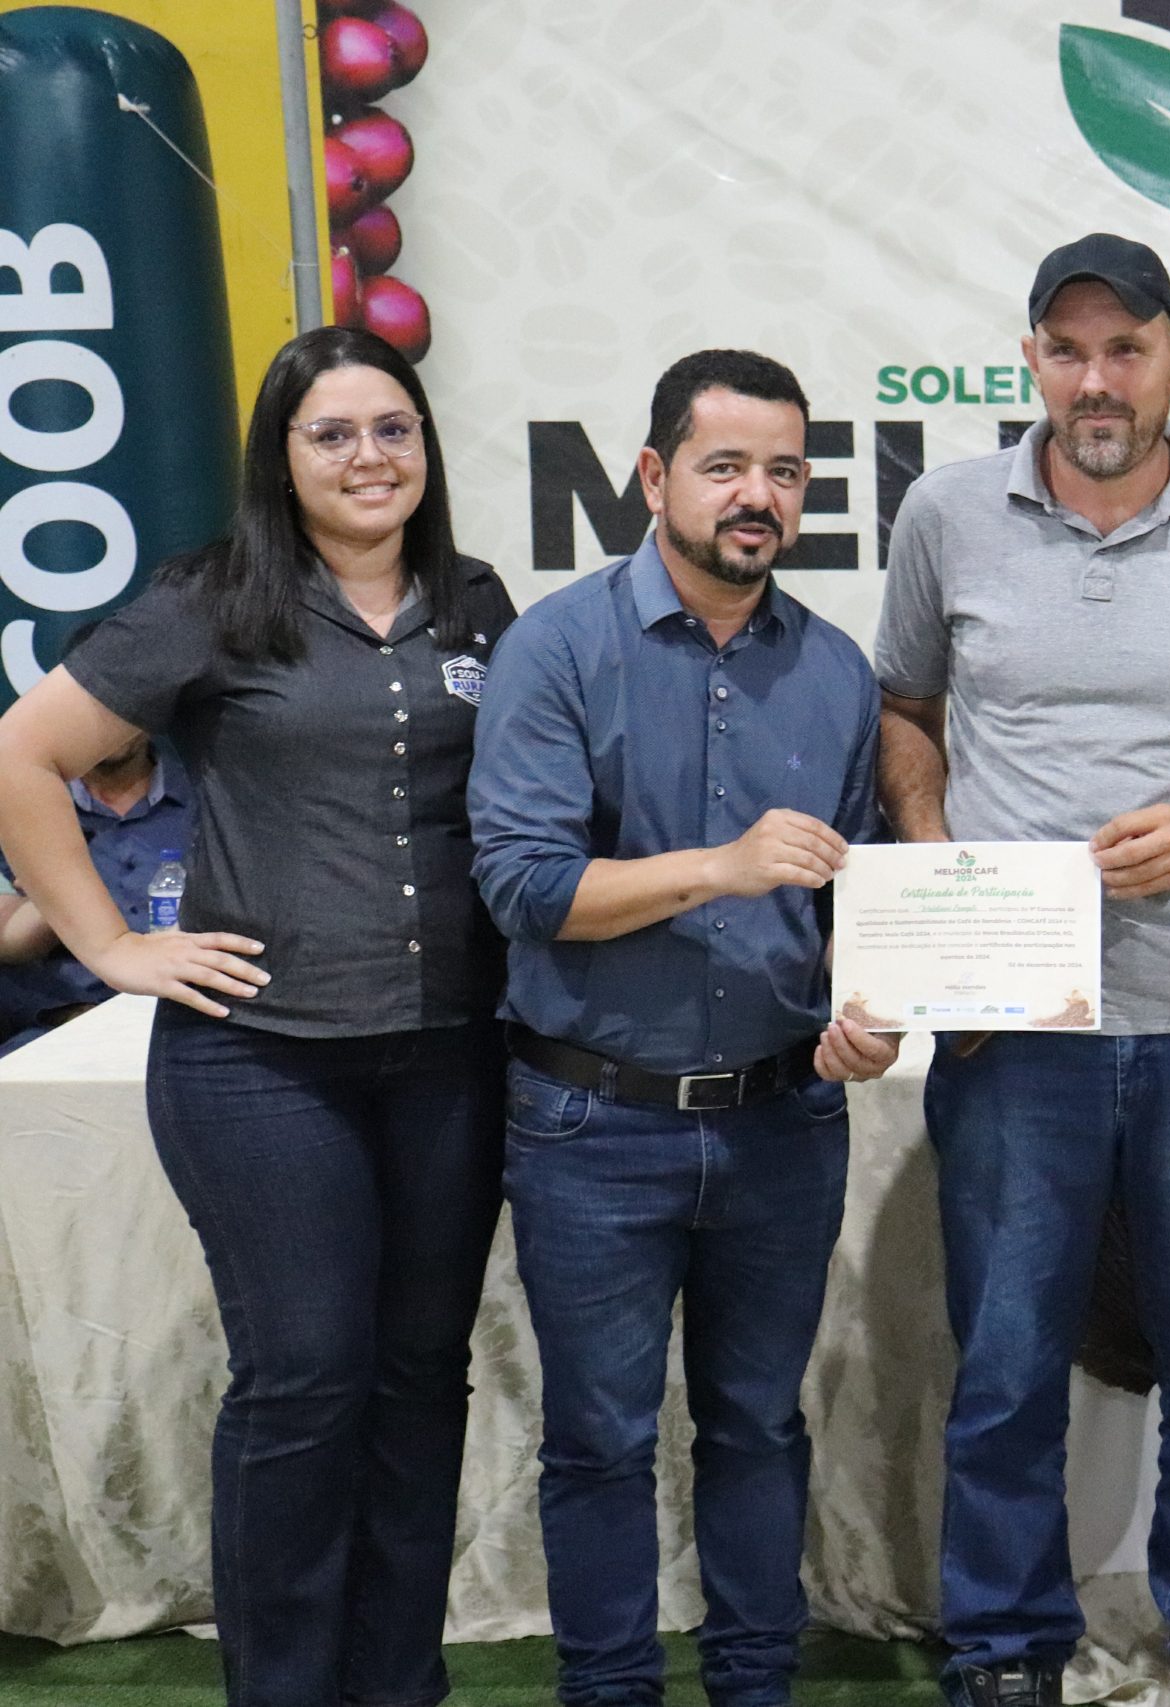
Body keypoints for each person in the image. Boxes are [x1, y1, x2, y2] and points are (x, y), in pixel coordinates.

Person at [0, 326, 515, 1707]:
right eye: (331, 433)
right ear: (280, 458)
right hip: (261, 1065)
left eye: (392, 428)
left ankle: (398, 1684)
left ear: (426, 444)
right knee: (305, 1378)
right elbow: (23, 753)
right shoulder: (211, 600)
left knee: (421, 1378)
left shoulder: (475, 600)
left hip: (450, 1057)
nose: (368, 456)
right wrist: (111, 943)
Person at [869, 232, 1170, 1707]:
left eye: (1126, 349)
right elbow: (905, 713)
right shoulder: (947, 515)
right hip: (1014, 1019)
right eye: (1068, 350)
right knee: (1008, 1359)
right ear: (1032, 359)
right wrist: (945, 888)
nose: (1097, 380)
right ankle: (1004, 1649)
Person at [468, 349, 892, 1707]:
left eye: (784, 471)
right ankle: (609, 1688)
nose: (757, 495)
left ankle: (754, 1683)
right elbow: (525, 888)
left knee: (759, 1426)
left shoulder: (837, 671)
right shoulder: (556, 647)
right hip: (591, 1122)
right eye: (725, 466)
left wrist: (869, 1017)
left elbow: (853, 907)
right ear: (654, 476)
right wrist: (721, 865)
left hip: (783, 1119)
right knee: (597, 1439)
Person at [0, 629, 193, 1054]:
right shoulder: (13, 799)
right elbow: (7, 940)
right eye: (95, 701)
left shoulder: (212, 800)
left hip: (184, 1030)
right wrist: (53, 881)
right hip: (48, 1030)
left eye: (127, 701)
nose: (110, 720)